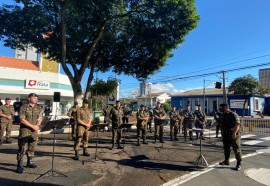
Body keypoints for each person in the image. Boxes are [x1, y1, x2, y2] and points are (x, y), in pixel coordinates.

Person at [16, 93, 43, 173]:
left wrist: (37, 125)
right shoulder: (23, 107)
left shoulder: (39, 107)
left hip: (34, 131)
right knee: (22, 148)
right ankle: (19, 165)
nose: (36, 99)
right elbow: (22, 119)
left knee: (32, 147)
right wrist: (32, 126)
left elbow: (40, 117)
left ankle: (29, 162)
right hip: (25, 131)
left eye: (37, 98)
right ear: (29, 98)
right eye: (34, 98)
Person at [219, 103, 242, 171]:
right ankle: (226, 161)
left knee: (236, 149)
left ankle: (239, 163)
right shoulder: (222, 115)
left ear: (226, 107)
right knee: (226, 148)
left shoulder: (233, 114)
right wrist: (210, 126)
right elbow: (218, 122)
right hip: (225, 135)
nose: (220, 109)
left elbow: (237, 124)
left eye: (221, 108)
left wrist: (234, 133)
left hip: (233, 135)